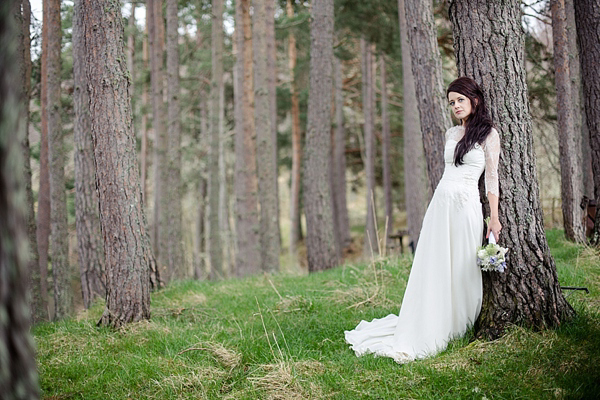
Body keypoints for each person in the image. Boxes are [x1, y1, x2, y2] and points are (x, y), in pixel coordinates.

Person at [345, 77, 501, 363]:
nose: (455, 106)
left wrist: (495, 218)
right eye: (452, 102)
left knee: (463, 265)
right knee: (436, 263)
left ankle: (458, 323)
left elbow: (491, 179)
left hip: (467, 206)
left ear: (474, 100)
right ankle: (430, 320)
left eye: (460, 100)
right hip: (441, 204)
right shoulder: (451, 134)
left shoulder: (488, 135)